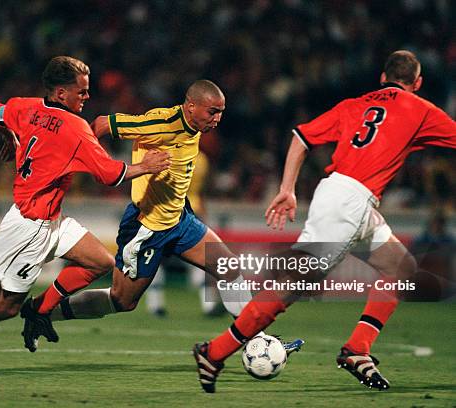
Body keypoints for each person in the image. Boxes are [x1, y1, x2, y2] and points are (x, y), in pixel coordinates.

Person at [192, 50, 456, 392]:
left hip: (344, 197)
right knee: (293, 285)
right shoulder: (420, 108)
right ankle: (214, 352)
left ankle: (357, 349)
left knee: (400, 268)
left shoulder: (353, 105)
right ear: (417, 83)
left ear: (381, 77)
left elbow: (300, 138)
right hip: (349, 201)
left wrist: (288, 188)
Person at [0, 56, 171, 372]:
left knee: (101, 262)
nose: (87, 97)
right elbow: (109, 175)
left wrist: (9, 137)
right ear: (61, 93)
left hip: (51, 219)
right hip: (29, 227)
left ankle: (41, 308)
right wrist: (146, 166)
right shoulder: (75, 128)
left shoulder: (24, 106)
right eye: (82, 91)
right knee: (4, 307)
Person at [20, 80, 304, 354]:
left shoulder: (193, 126)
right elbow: (103, 123)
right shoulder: (162, 124)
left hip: (179, 221)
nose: (217, 119)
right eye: (212, 112)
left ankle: (258, 341)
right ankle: (42, 312)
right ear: (190, 106)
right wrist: (87, 164)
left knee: (228, 267)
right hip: (146, 227)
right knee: (122, 300)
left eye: (221, 112)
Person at [145, 150, 225, 317]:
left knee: (157, 259)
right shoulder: (202, 159)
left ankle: (155, 305)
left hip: (165, 211)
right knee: (201, 259)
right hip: (193, 210)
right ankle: (208, 305)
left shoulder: (165, 153)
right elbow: (202, 190)